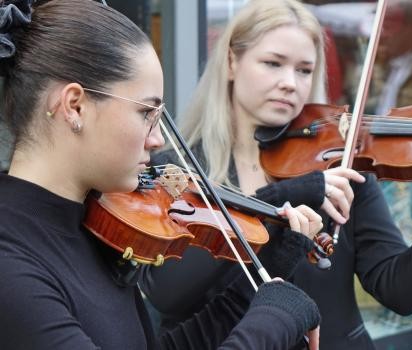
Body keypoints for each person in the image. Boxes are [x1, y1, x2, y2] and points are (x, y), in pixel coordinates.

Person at [141, 0, 412, 349]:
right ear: (232, 61)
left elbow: (402, 290)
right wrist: (284, 196)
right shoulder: (182, 168)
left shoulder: (339, 164)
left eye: (304, 70)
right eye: (273, 63)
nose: (289, 83)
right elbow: (168, 295)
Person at [0, 0, 326, 349]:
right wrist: (273, 322)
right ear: (74, 106)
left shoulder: (89, 228)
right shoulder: (10, 262)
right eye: (145, 113)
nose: (157, 139)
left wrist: (258, 287)